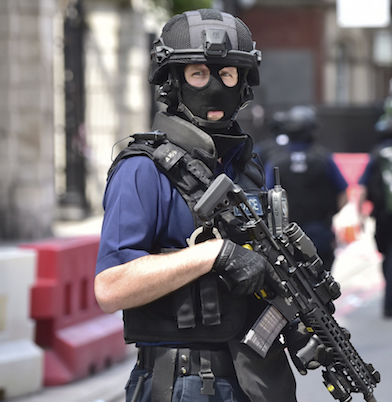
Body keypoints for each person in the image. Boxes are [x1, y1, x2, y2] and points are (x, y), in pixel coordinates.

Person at [94, 9, 314, 401]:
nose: (215, 86)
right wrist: (214, 255)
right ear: (173, 82)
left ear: (243, 83)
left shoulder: (246, 165)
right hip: (185, 380)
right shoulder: (143, 169)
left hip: (257, 377)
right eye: (198, 74)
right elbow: (111, 288)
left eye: (227, 74)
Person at [259, 105, 348, 272]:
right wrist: (329, 215)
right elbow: (344, 193)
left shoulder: (277, 161)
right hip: (320, 232)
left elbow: (267, 197)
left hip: (287, 237)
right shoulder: (323, 158)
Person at [357, 115, 392, 318]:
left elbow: (363, 186)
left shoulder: (376, 155)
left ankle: (389, 298)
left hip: (382, 214)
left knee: (387, 254)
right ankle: (391, 303)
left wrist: (359, 215)